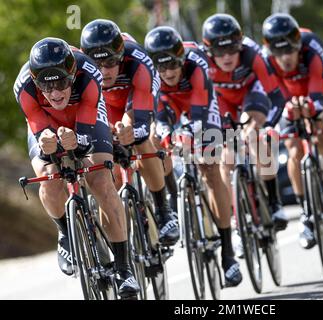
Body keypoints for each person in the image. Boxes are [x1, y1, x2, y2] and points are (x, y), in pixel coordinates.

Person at [13, 37, 140, 297]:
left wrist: (76, 143)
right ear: (36, 83)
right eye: (47, 88)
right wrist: (49, 144)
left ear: (72, 76)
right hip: (45, 120)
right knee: (49, 178)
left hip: (86, 113)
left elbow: (85, 138)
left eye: (61, 83)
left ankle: (124, 268)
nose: (56, 93)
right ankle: (65, 234)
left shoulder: (88, 71)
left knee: (101, 180)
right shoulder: (23, 85)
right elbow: (37, 123)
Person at [144, 26, 243, 287]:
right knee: (155, 140)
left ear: (181, 60)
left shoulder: (196, 63)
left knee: (210, 167)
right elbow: (154, 113)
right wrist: (166, 133)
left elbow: (201, 112)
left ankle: (228, 252)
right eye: (162, 69)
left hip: (200, 103)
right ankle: (170, 204)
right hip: (168, 103)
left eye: (173, 66)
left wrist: (191, 133)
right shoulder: (150, 75)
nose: (168, 73)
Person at [80, 19, 179, 246]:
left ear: (122, 56)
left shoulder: (138, 60)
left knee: (140, 138)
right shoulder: (82, 72)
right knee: (107, 169)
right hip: (105, 105)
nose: (104, 71)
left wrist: (132, 131)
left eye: (111, 62)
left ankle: (164, 211)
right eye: (98, 64)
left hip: (133, 98)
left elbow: (141, 119)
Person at [262, 13, 323, 249]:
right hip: (286, 96)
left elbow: (321, 80)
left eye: (290, 51)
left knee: (320, 128)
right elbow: (271, 95)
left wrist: (313, 106)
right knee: (293, 148)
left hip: (314, 87)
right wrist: (287, 110)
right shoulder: (265, 59)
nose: (286, 58)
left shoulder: (311, 44)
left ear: (297, 46)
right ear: (271, 50)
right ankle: (306, 210)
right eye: (279, 53)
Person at [201, 13, 289, 231]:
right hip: (222, 101)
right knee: (225, 157)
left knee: (253, 135)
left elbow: (277, 97)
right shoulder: (201, 61)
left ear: (240, 45)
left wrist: (268, 126)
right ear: (210, 50)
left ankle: (273, 201)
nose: (227, 57)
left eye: (232, 49)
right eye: (220, 52)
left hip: (251, 94)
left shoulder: (252, 54)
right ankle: (235, 216)